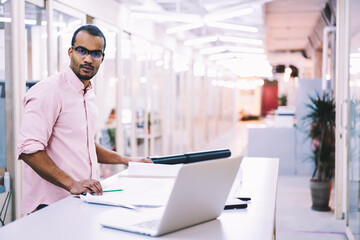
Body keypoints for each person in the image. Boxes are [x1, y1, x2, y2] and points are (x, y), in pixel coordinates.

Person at [18, 25, 152, 214]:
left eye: (96, 54)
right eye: (82, 51)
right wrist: (71, 183)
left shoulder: (87, 94)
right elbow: (28, 149)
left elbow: (85, 143)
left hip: (81, 200)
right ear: (71, 52)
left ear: (102, 58)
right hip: (50, 205)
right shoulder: (49, 91)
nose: (88, 59)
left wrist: (127, 160)